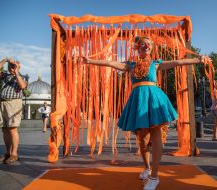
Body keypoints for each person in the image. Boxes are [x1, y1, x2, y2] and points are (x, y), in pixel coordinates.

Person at [78, 36, 209, 190]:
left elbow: (179, 62)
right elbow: (110, 63)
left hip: (153, 99)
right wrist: (89, 61)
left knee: (155, 135)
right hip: (138, 101)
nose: (145, 46)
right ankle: (147, 168)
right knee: (142, 139)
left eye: (148, 44)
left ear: (151, 48)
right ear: (137, 48)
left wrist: (199, 60)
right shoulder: (130, 65)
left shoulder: (156, 64)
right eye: (142, 44)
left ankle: (154, 176)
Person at [0, 58, 27, 164]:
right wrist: (6, 60)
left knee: (12, 129)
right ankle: (7, 152)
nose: (11, 68)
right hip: (3, 103)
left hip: (14, 103)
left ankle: (14, 154)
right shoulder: (5, 76)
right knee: (5, 129)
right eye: (10, 66)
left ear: (19, 66)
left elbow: (22, 86)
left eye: (14, 66)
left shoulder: (23, 77)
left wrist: (16, 72)